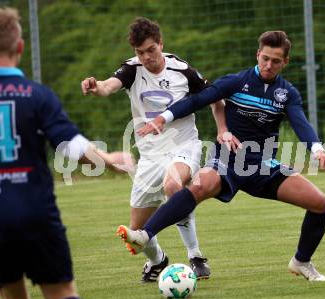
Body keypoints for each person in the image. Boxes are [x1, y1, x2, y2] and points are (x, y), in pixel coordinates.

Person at [118, 30, 325, 282]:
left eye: (275, 61)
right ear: (257, 55)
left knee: (320, 203)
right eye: (264, 58)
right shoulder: (236, 82)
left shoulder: (287, 93)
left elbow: (301, 124)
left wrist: (318, 150)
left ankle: (301, 261)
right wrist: (162, 118)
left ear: (285, 62)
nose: (268, 65)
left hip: (262, 165)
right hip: (228, 160)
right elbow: (196, 101)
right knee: (203, 186)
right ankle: (145, 235)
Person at [81, 17, 238, 281]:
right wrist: (96, 87)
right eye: (140, 52)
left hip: (183, 145)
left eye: (151, 50)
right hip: (149, 155)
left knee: (173, 185)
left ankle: (196, 256)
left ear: (161, 44)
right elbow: (108, 86)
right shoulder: (132, 70)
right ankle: (158, 262)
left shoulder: (182, 70)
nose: (146, 57)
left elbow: (216, 100)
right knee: (136, 232)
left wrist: (222, 129)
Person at [0, 7, 135, 299]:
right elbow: (72, 149)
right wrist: (110, 159)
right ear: (20, 47)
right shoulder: (36, 95)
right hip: (35, 212)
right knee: (62, 296)